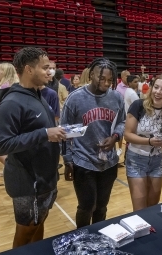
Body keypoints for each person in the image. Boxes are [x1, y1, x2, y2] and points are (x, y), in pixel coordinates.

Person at [0, 47, 66, 248]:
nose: (50, 72)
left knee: (38, 224)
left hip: (44, 177)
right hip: (28, 182)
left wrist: (56, 132)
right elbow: (1, 145)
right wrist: (44, 134)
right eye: (45, 68)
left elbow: (40, 131)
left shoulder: (38, 96)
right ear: (29, 69)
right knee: (25, 232)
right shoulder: (12, 102)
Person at [61, 58, 125, 228]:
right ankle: (81, 238)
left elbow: (122, 122)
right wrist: (67, 160)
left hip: (109, 162)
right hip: (83, 161)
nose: (105, 83)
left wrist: (115, 137)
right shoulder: (75, 99)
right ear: (91, 75)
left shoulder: (117, 97)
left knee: (102, 207)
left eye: (110, 80)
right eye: (101, 78)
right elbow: (65, 130)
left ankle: (98, 239)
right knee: (86, 207)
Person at [124, 74, 162, 211]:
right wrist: (149, 141)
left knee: (152, 209)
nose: (158, 92)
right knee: (140, 210)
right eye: (156, 87)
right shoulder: (138, 105)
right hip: (136, 160)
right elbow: (127, 135)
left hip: (157, 161)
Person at [0, 63, 19, 177]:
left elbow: (1, 108)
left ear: (6, 72)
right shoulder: (17, 84)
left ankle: (11, 169)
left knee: (3, 147)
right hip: (16, 120)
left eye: (0, 70)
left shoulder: (4, 87)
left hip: (7, 120)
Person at [115, 70, 130, 156]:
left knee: (129, 133)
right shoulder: (118, 87)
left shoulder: (131, 86)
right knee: (120, 131)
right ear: (123, 77)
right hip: (121, 114)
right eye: (127, 76)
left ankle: (127, 153)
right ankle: (120, 148)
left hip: (130, 114)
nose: (129, 77)